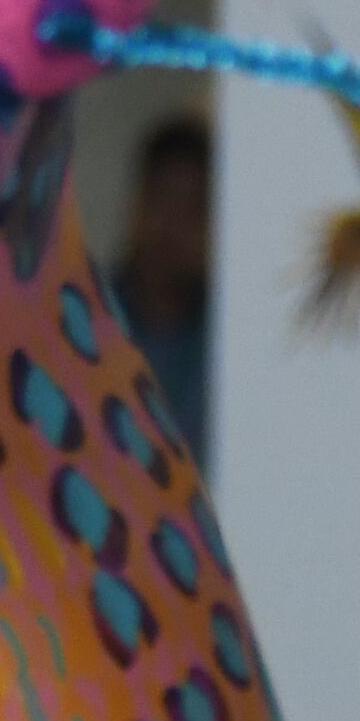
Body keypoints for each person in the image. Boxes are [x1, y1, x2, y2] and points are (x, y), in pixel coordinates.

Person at [111, 112, 216, 460]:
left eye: (192, 209)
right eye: (161, 199)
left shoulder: (225, 339)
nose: (171, 226)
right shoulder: (87, 318)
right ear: (136, 205)